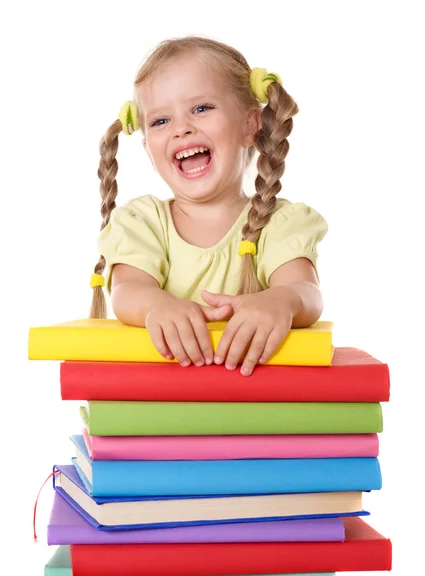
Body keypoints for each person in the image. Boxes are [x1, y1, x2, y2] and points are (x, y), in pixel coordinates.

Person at [90, 36, 328, 377]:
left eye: (201, 108)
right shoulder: (142, 222)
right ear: (147, 148)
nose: (182, 129)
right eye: (160, 121)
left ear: (249, 125)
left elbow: (306, 292)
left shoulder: (279, 223)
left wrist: (282, 302)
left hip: (254, 409)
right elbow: (128, 291)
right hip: (160, 406)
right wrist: (158, 306)